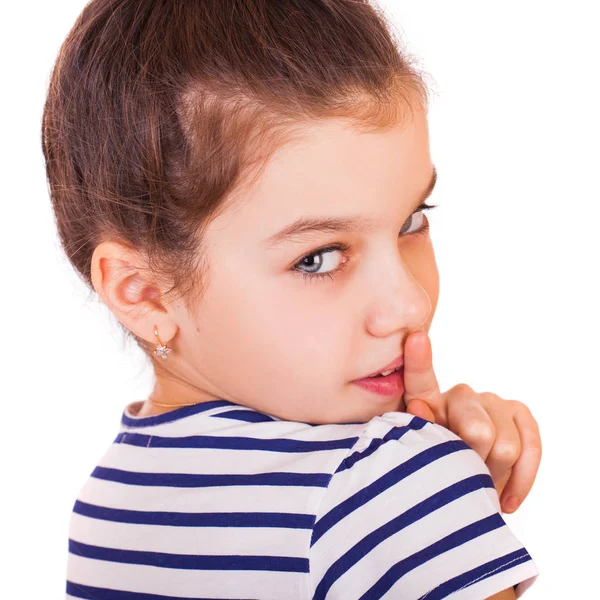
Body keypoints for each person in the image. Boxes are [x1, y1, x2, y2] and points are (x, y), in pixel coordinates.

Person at [42, 1, 541, 598]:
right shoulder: (387, 485)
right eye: (318, 258)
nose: (410, 305)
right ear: (145, 294)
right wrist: (434, 500)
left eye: (412, 220)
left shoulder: (109, 503)